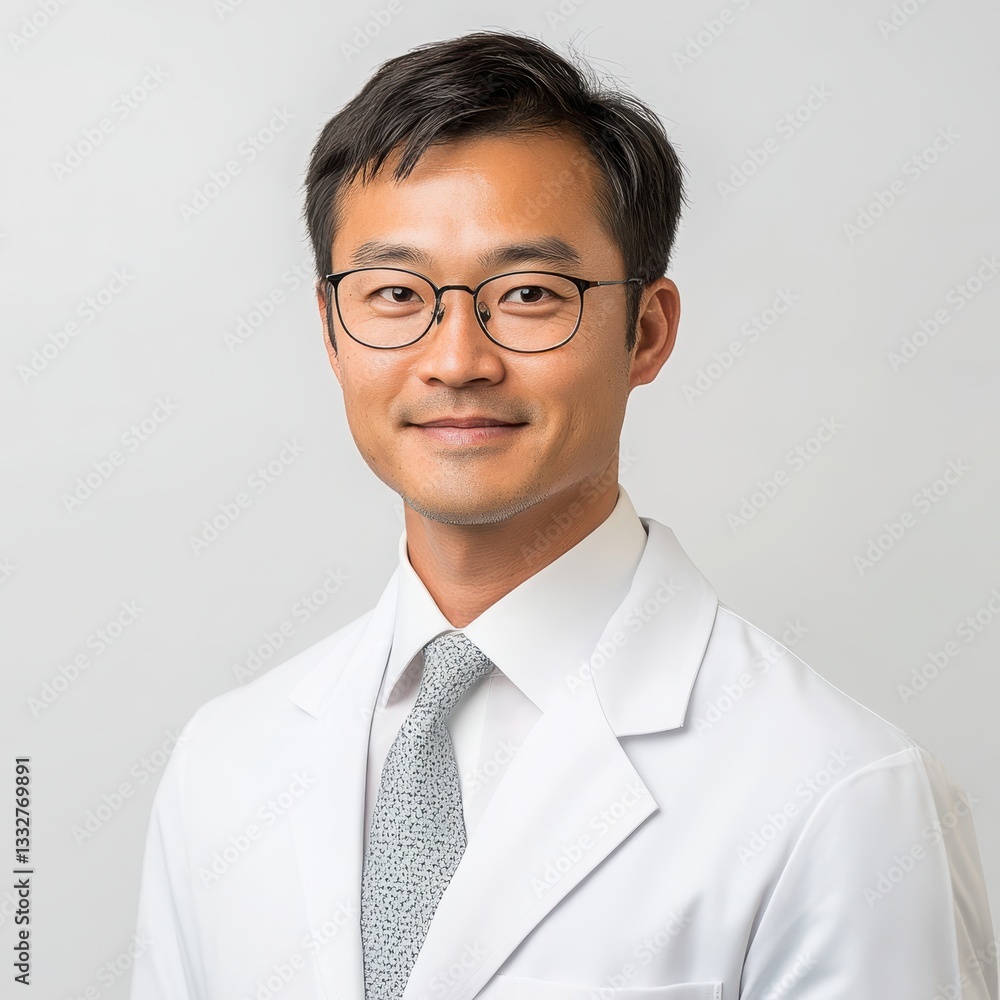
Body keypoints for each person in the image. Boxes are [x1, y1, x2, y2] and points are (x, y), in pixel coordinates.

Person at [129, 29, 997, 1000]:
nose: (456, 358)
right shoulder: (225, 763)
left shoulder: (840, 792)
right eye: (394, 294)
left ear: (647, 331)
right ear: (332, 332)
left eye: (530, 293)